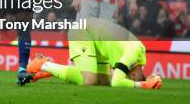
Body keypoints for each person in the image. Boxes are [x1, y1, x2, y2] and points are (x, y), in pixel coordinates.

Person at [27, 18, 162, 89]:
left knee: (103, 81)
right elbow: (117, 82)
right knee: (89, 80)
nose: (129, 79)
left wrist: (146, 82)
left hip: (98, 42)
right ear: (137, 74)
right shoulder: (134, 53)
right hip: (84, 31)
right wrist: (143, 85)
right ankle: (44, 64)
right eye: (133, 80)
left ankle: (53, 71)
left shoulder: (138, 56)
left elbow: (114, 81)